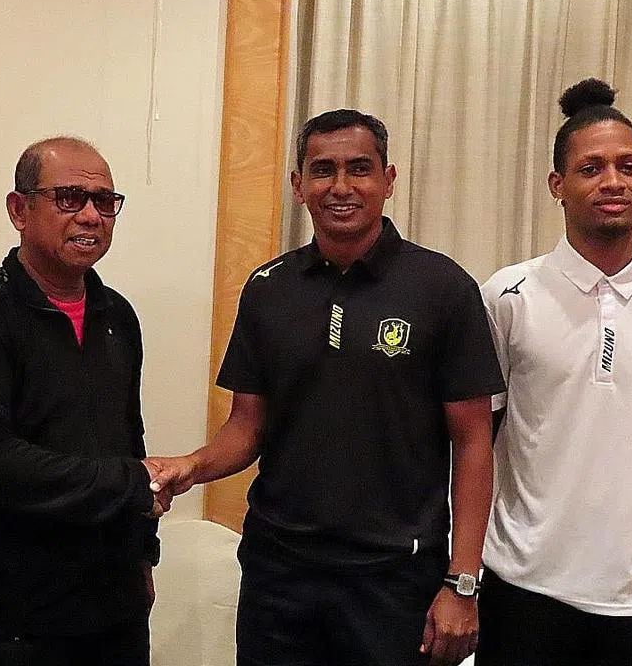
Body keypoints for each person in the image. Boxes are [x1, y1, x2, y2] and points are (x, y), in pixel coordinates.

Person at [146, 109, 502, 666]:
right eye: (322, 170)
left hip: (394, 580)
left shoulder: (444, 289)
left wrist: (462, 582)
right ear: (298, 186)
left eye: (359, 169)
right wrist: (191, 466)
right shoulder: (268, 288)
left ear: (388, 180)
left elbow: (474, 442)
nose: (340, 186)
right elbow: (246, 427)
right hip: (279, 576)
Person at [476, 79, 632, 666]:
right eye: (591, 168)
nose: (613, 181)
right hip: (523, 585)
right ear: (557, 185)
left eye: (627, 166)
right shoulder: (507, 296)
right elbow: (479, 438)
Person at [0, 137, 164, 666]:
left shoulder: (117, 315)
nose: (91, 216)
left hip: (113, 610)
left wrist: (143, 554)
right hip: (8, 619)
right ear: (19, 210)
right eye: (69, 198)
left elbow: (129, 439)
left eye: (104, 201)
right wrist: (130, 482)